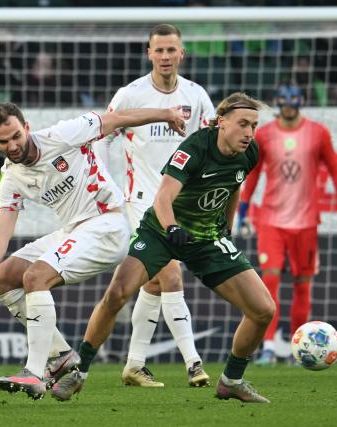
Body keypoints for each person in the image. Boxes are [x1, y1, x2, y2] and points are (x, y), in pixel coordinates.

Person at [0, 102, 186, 400]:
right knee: (4, 277)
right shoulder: (11, 178)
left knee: (36, 276)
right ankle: (60, 355)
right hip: (74, 230)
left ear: (27, 127)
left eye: (16, 136)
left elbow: (115, 119)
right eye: (3, 141)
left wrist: (166, 113)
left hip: (107, 223)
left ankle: (33, 373)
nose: (12, 145)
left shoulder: (63, 135)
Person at [51, 92, 276, 404]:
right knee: (117, 292)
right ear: (222, 123)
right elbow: (163, 197)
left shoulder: (249, 153)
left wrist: (228, 225)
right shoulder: (195, 147)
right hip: (162, 231)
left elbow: (233, 185)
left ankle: (231, 380)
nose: (249, 132)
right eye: (243, 124)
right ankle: (79, 372)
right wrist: (171, 228)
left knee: (264, 310)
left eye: (254, 125)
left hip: (207, 238)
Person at [104, 23, 214, 388]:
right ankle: (194, 364)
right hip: (141, 202)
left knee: (152, 284)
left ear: (182, 53)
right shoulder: (130, 95)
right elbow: (102, 132)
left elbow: (211, 143)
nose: (166, 56)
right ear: (149, 53)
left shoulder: (196, 96)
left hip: (181, 205)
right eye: (159, 50)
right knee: (170, 274)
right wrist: (102, 185)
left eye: (172, 50)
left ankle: (134, 365)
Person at [237, 84, 337, 367]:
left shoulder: (318, 133)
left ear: (301, 101)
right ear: (278, 102)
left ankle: (294, 350)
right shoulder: (263, 135)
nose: (288, 105)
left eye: (293, 100)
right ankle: (267, 347)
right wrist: (242, 210)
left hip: (306, 221)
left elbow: (335, 169)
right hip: (271, 220)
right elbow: (252, 176)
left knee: (302, 285)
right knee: (271, 281)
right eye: (284, 100)